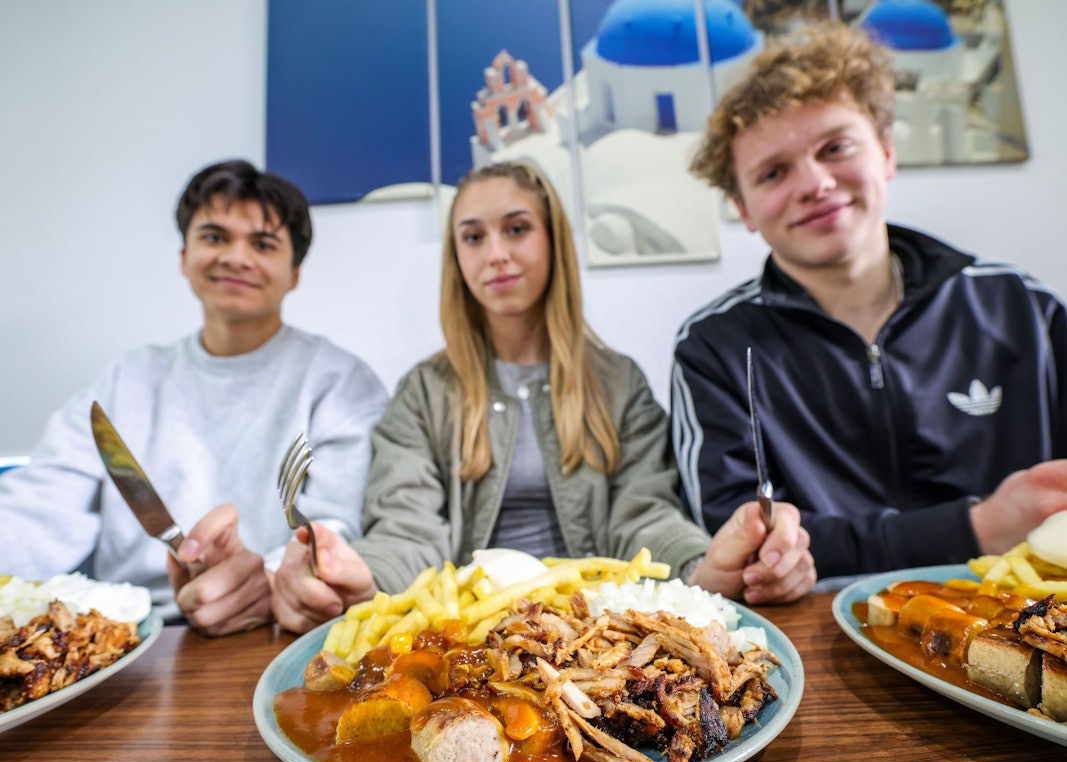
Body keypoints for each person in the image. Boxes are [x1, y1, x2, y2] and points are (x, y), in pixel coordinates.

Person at [271, 161, 815, 633]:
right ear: (456, 257)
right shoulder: (422, 393)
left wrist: (700, 565)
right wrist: (358, 575)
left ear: (553, 240)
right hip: (469, 634)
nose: (496, 254)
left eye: (517, 228)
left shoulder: (619, 382)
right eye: (473, 236)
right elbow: (407, 528)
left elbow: (645, 515)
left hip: (599, 630)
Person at [672, 22, 1067, 585]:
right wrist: (978, 526)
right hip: (822, 636)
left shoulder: (1024, 307)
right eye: (774, 172)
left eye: (835, 148)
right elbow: (740, 546)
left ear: (885, 151)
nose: (815, 183)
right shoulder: (714, 348)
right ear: (745, 209)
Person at [0, 159, 388, 635]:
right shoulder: (128, 378)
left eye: (263, 244)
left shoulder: (341, 381)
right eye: (215, 237)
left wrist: (266, 582)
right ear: (184, 257)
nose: (236, 257)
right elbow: (42, 507)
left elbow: (334, 526)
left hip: (276, 630)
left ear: (294, 273)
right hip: (124, 633)